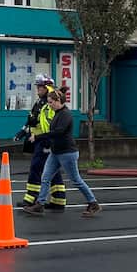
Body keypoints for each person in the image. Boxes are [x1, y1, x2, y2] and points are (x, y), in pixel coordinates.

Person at [23, 90, 101, 218]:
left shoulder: (65, 115)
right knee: (46, 177)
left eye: (51, 102)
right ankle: (40, 204)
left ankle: (93, 203)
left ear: (58, 101)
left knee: (76, 180)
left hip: (67, 153)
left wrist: (38, 137)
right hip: (56, 152)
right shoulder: (57, 113)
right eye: (48, 103)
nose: (49, 105)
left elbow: (58, 132)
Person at [21, 74, 67, 211]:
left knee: (36, 168)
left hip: (45, 141)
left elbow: (50, 123)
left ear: (46, 87)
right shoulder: (40, 102)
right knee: (53, 170)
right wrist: (24, 130)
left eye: (40, 87)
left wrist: (47, 140)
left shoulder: (49, 104)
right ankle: (58, 200)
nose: (38, 89)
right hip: (41, 139)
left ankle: (31, 199)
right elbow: (33, 120)